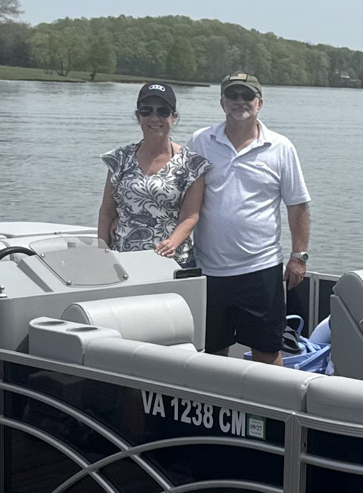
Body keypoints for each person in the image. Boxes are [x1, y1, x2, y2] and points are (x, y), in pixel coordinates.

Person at [189, 72, 311, 365]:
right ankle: (218, 409)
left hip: (261, 268)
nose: (240, 102)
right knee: (211, 351)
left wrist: (299, 257)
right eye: (233, 96)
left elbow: (298, 205)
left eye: (247, 96)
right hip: (210, 269)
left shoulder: (280, 147)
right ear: (222, 102)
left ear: (260, 103)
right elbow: (184, 197)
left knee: (268, 351)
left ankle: (272, 411)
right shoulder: (200, 141)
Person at [98, 82, 210, 266]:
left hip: (172, 261)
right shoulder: (118, 159)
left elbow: (190, 216)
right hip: (124, 259)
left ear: (173, 117)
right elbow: (106, 212)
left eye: (163, 111)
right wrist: (101, 252)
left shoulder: (192, 163)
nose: (154, 118)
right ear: (138, 116)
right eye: (146, 111)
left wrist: (171, 243)